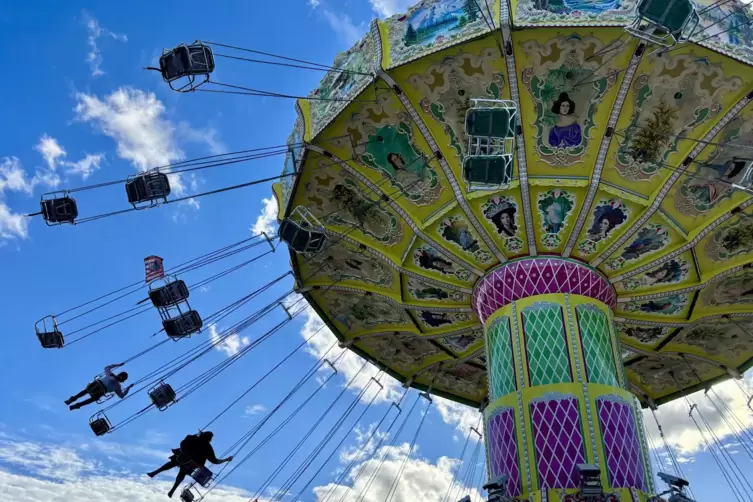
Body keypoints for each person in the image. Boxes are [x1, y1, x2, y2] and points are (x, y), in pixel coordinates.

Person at [147, 431, 233, 498]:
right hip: (191, 464)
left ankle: (154, 473)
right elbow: (215, 461)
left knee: (173, 462)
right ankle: (172, 490)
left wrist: (186, 447)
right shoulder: (208, 447)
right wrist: (226, 460)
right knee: (182, 472)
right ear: (209, 438)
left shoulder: (194, 438)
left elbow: (182, 443)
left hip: (183, 458)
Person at [65, 362, 133, 411]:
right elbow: (122, 395)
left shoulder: (111, 376)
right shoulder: (117, 385)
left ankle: (73, 400)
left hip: (97, 386)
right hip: (100, 390)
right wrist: (128, 388)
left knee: (86, 391)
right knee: (91, 398)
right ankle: (77, 404)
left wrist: (118, 365)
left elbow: (107, 367)